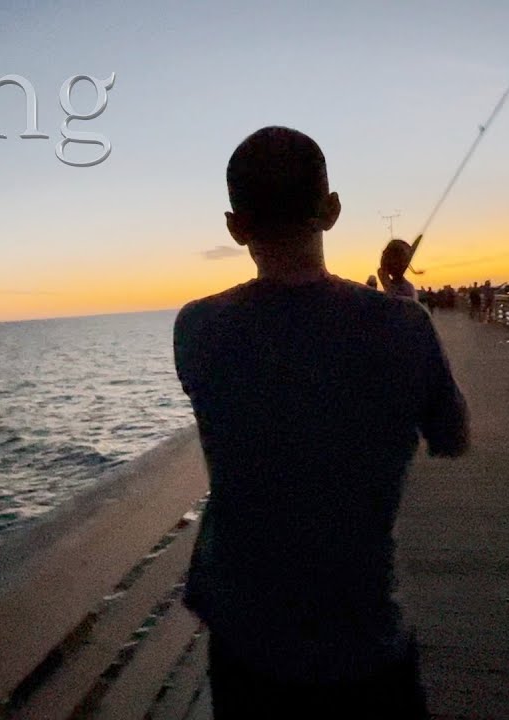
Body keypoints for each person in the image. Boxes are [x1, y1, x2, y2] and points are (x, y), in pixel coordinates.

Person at [173, 126, 469, 719]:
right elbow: (452, 436)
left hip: (249, 657)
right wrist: (406, 318)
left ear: (236, 228)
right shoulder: (404, 327)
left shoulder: (197, 328)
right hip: (365, 648)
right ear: (331, 211)